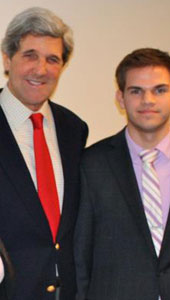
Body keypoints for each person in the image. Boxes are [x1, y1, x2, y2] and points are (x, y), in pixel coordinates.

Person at [74, 48, 170, 300]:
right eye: (136, 91)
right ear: (120, 98)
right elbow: (80, 254)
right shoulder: (91, 163)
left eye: (159, 90)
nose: (148, 100)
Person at [0, 7, 88, 300]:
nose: (41, 69)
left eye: (53, 59)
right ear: (7, 58)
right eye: (30, 55)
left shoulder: (74, 129)